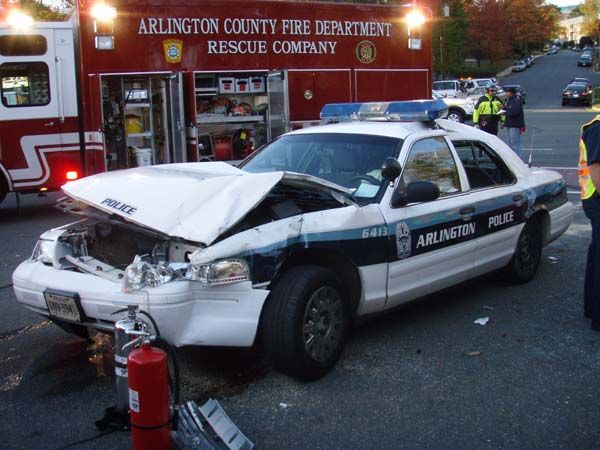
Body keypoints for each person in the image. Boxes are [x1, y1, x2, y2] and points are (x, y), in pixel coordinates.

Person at [579, 116, 600, 331]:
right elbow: (596, 169)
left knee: (597, 253)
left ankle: (592, 307)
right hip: (597, 199)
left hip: (594, 199)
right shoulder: (598, 129)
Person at [503, 87, 525, 159]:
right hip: (509, 124)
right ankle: (512, 158)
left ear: (511, 93)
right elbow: (509, 109)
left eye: (507, 92)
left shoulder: (516, 100)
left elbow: (515, 112)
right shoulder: (509, 100)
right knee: (510, 144)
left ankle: (518, 159)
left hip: (514, 124)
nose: (506, 93)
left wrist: (506, 112)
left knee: (515, 143)